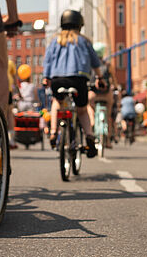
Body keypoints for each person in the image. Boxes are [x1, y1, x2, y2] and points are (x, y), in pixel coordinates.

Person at [42, 9, 103, 157]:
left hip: (57, 79)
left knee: (57, 102)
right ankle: (89, 136)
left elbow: (48, 60)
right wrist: (100, 78)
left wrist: (46, 77)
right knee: (82, 110)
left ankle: (53, 132)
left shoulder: (55, 41)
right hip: (78, 79)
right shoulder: (83, 41)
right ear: (79, 25)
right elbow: (95, 62)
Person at [87, 42, 115, 148]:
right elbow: (114, 80)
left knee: (89, 106)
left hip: (93, 94)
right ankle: (108, 141)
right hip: (106, 93)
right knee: (108, 115)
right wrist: (116, 87)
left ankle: (92, 120)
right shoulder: (108, 65)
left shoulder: (90, 65)